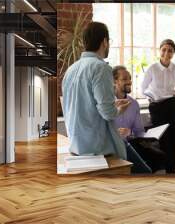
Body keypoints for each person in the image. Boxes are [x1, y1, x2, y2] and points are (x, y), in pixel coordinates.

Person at [62, 21, 150, 173]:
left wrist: (113, 105)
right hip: (98, 148)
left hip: (77, 145)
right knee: (145, 173)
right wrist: (119, 109)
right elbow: (107, 113)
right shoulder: (101, 68)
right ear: (104, 41)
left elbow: (82, 106)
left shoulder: (70, 70)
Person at [141, 39, 175, 174]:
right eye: (164, 49)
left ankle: (171, 171)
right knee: (160, 139)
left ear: (173, 53)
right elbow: (143, 89)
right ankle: (158, 171)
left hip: (172, 105)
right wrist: (151, 97)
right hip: (157, 107)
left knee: (172, 139)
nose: (166, 52)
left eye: (170, 50)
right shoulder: (152, 68)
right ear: (160, 50)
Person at [112, 65, 165, 172]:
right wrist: (114, 132)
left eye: (130, 78)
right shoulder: (107, 104)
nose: (129, 81)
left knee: (158, 158)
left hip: (130, 144)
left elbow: (139, 131)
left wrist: (130, 132)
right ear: (114, 81)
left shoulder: (134, 104)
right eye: (124, 79)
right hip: (113, 146)